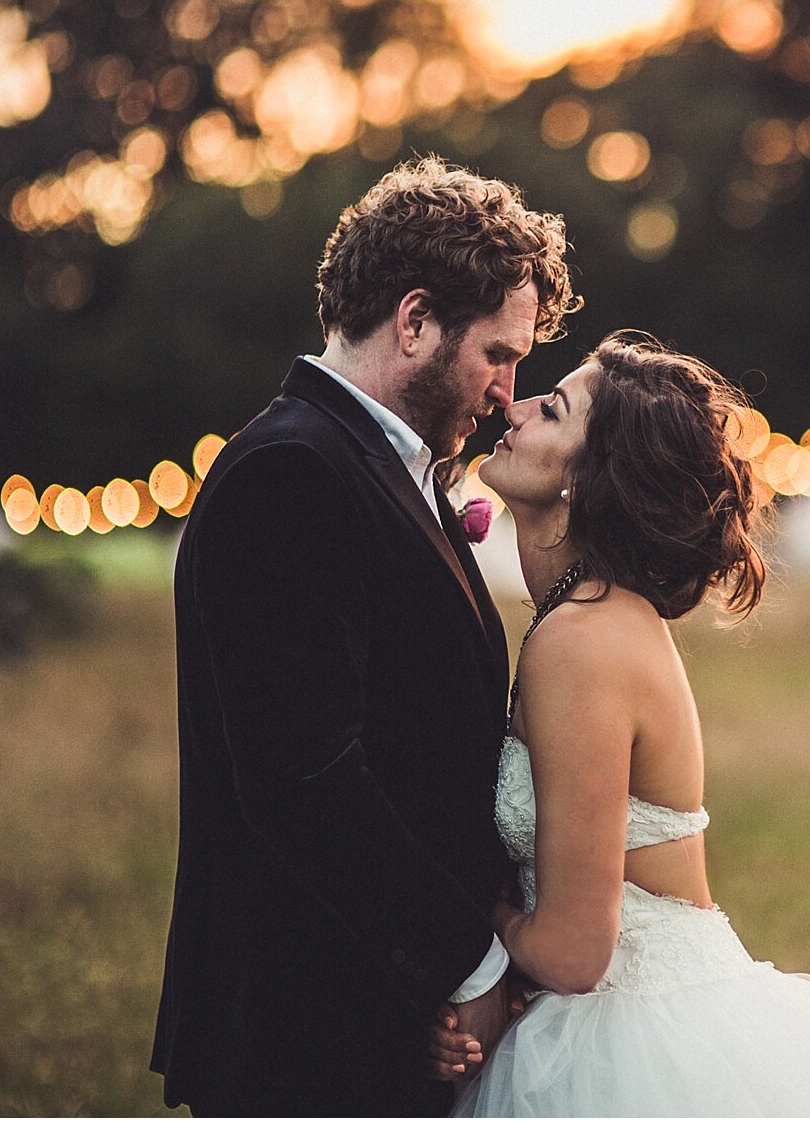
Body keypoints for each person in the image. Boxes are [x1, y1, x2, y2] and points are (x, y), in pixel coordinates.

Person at [430, 331, 810, 1117]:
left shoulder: (583, 639)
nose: (520, 402)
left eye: (558, 406)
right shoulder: (591, 619)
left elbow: (577, 953)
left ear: (591, 477)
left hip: (632, 1038)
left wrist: (488, 915)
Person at [152, 157, 578, 1115]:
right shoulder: (290, 471)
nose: (510, 390)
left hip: (374, 1017)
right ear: (416, 319)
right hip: (311, 1030)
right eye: (499, 354)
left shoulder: (379, 465)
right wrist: (467, 961)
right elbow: (304, 776)